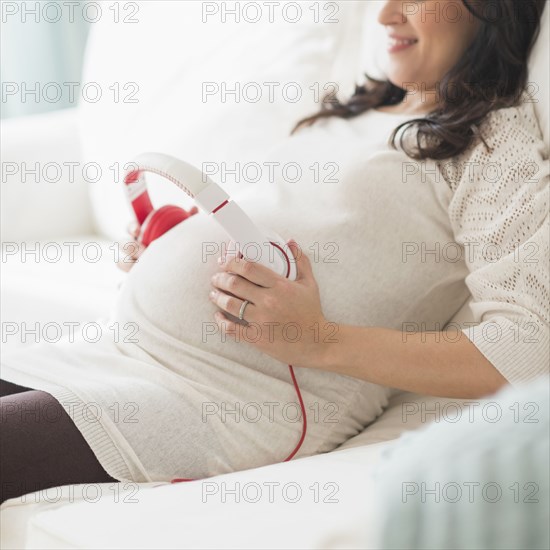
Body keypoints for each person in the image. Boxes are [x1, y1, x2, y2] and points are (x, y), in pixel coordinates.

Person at [1, 0, 548, 505]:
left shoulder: (495, 140)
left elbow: (526, 345)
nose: (384, 14)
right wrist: (175, 253)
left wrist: (320, 341)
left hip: (215, 401)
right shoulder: (359, 108)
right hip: (120, 351)